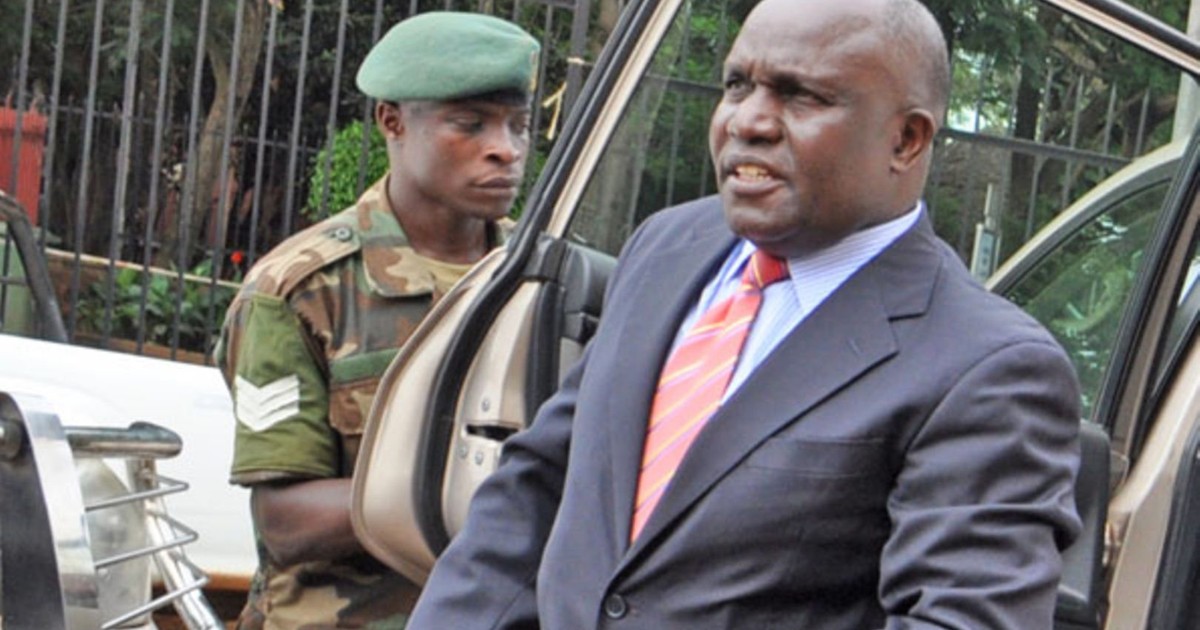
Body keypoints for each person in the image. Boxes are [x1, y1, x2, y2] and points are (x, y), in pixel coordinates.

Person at [408, 0, 1083, 627]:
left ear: (905, 140)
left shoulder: (987, 368)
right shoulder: (667, 246)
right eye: (737, 86)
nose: (748, 122)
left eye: (802, 95)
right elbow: (538, 490)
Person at [215, 12, 539, 629]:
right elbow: (287, 523)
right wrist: (478, 489)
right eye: (470, 123)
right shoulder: (302, 290)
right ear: (392, 121)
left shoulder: (541, 280)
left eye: (519, 125)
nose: (507, 148)